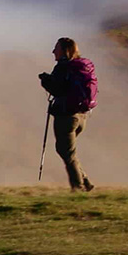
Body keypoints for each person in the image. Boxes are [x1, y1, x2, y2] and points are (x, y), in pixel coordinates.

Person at [38, 37, 98, 192]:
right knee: (67, 151)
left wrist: (45, 80)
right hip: (82, 116)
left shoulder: (63, 67)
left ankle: (78, 187)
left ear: (65, 50)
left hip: (66, 116)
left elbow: (57, 89)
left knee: (66, 151)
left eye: (56, 48)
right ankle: (85, 181)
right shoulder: (80, 67)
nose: (53, 51)